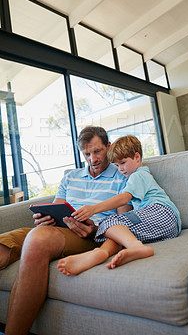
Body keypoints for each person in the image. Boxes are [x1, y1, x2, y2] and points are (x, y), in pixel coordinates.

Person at [0, 126, 128, 335]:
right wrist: (44, 218)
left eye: (98, 151)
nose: (92, 159)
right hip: (57, 231)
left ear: (109, 146)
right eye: (86, 154)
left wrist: (95, 228)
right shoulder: (70, 177)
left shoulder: (123, 175)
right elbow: (56, 208)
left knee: (38, 239)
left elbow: (124, 222)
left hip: (90, 235)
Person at [57, 135, 181, 276]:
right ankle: (101, 252)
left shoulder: (139, 175)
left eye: (123, 163)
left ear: (137, 157)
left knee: (108, 221)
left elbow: (124, 198)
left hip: (162, 213)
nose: (120, 169)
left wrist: (93, 209)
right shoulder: (133, 177)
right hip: (165, 226)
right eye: (116, 165)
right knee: (119, 231)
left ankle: (135, 247)